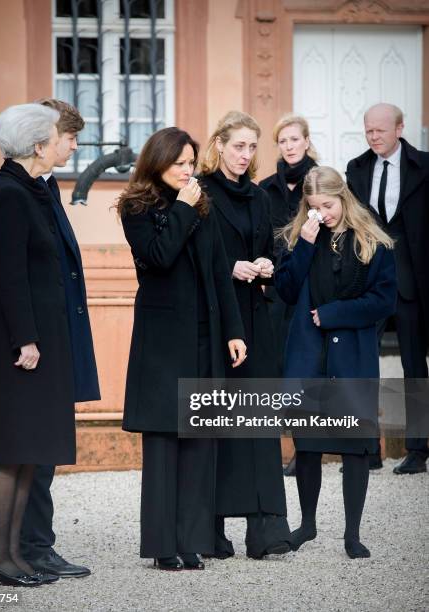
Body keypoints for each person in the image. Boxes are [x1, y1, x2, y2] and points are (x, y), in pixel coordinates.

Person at [117, 127, 246, 571]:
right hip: (162, 340)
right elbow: (159, 256)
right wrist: (185, 209)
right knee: (164, 441)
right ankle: (161, 544)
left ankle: (192, 540)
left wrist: (234, 330)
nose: (189, 171)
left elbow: (217, 271)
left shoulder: (200, 204)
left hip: (205, 334)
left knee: (199, 440)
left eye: (192, 163)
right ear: (158, 163)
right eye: (180, 164)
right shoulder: (135, 207)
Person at [0, 104, 77, 587]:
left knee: (29, 447)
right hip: (18, 348)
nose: (60, 143)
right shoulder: (9, 194)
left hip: (36, 343)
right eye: (56, 137)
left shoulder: (28, 189)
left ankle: (14, 556)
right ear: (37, 145)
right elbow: (9, 277)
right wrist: (26, 339)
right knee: (11, 450)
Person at [275, 166, 396, 559]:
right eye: (313, 207)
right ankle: (307, 525)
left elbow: (384, 301)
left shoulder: (371, 240)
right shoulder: (302, 237)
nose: (322, 213)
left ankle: (352, 534)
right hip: (309, 358)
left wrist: (335, 313)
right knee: (307, 445)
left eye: (327, 205)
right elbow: (287, 290)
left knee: (355, 447)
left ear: (342, 198)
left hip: (352, 360)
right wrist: (305, 246)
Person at [199, 110, 291, 559]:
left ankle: (267, 533)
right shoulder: (201, 192)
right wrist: (228, 267)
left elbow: (268, 246)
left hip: (256, 318)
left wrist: (267, 264)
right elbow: (194, 256)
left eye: (253, 147)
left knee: (259, 425)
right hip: (217, 320)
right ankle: (212, 531)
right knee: (219, 423)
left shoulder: (258, 196)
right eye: (239, 145)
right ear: (219, 143)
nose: (246, 154)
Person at [19, 99, 100, 578]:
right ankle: (32, 546)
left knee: (45, 447)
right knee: (36, 447)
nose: (73, 147)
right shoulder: (23, 190)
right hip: (38, 341)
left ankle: (35, 544)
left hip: (55, 333)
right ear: (45, 139)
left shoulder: (46, 186)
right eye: (69, 139)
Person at [346, 103, 429, 475]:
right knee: (362, 363)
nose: (374, 137)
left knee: (414, 365)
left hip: (414, 283)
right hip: (371, 281)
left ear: (400, 128)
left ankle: (418, 449)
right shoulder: (357, 169)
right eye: (368, 131)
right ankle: (367, 448)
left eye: (380, 130)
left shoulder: (424, 166)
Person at [259, 113, 318, 476]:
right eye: (283, 141)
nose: (290, 146)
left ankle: (306, 449)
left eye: (295, 139)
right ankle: (273, 450)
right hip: (276, 290)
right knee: (275, 370)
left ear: (307, 142)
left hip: (312, 289)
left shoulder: (324, 183)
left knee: (306, 372)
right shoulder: (265, 188)